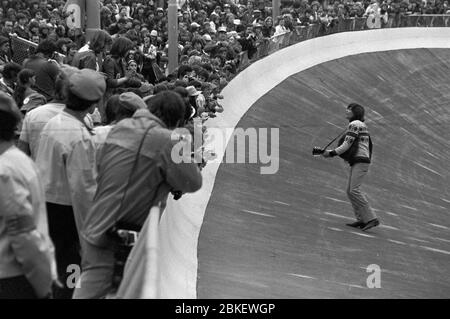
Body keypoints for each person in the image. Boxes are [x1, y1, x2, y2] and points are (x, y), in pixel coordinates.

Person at [73, 91, 203, 299]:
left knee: (91, 282)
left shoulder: (121, 128)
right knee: (92, 289)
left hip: (95, 220)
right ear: (177, 119)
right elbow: (193, 182)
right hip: (115, 234)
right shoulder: (166, 140)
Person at [34, 68, 107, 299]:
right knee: (69, 272)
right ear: (94, 104)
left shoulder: (54, 122)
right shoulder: (78, 136)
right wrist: (91, 237)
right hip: (66, 214)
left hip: (44, 205)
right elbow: (83, 190)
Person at [0, 92, 56, 299]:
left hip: (13, 280)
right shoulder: (18, 162)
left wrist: (42, 285)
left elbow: (24, 237)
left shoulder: (6, 172)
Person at [322, 103, 380, 231]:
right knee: (350, 190)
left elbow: (346, 145)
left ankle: (371, 218)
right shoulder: (360, 125)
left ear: (355, 112)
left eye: (349, 109)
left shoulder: (355, 125)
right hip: (360, 160)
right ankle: (361, 219)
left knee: (354, 190)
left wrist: (331, 153)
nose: (346, 110)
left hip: (361, 161)